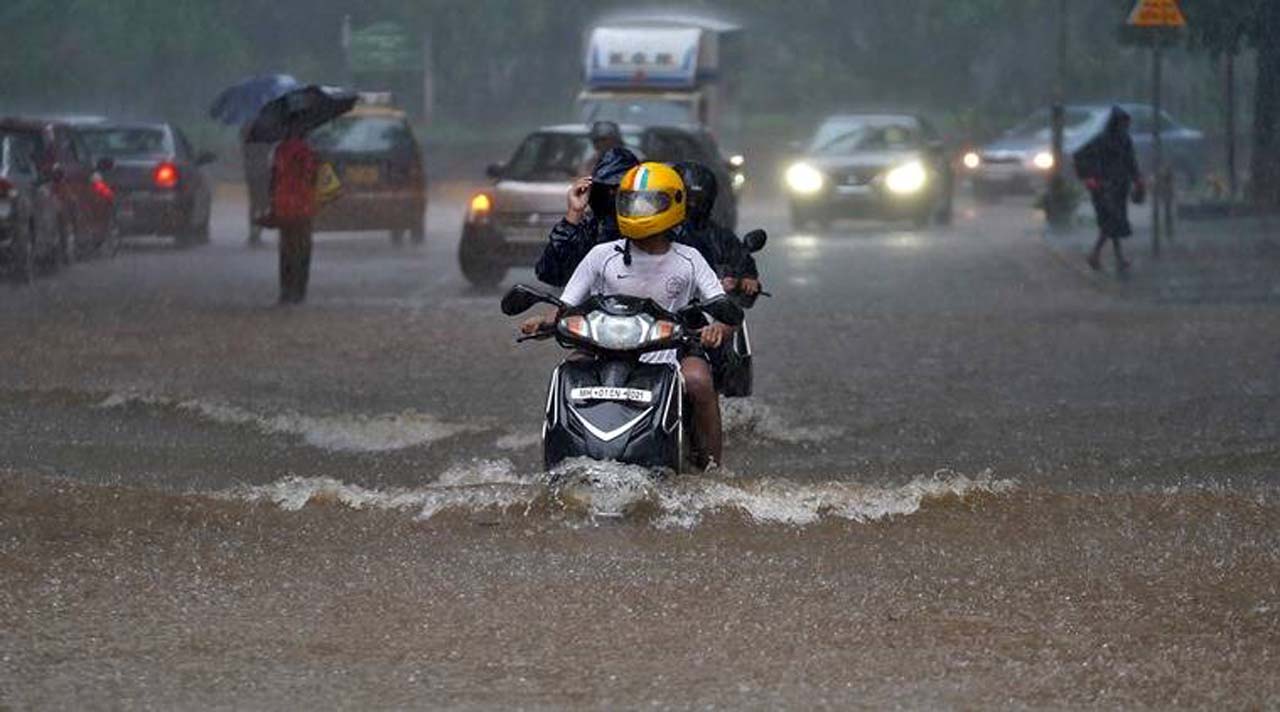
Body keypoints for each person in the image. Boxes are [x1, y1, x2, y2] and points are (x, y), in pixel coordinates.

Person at [521, 162, 732, 467]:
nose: (638, 210)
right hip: (602, 350)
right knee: (567, 372)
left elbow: (722, 310)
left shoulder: (689, 259)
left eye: (648, 202)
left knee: (699, 380)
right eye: (631, 202)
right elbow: (566, 306)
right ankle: (559, 459)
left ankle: (711, 466)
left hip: (668, 350)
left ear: (673, 203)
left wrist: (718, 329)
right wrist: (545, 322)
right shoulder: (601, 255)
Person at [535, 146, 639, 287]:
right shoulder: (592, 230)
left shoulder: (659, 229)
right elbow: (551, 274)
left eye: (619, 188)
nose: (613, 195)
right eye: (607, 189)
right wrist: (574, 213)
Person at [672, 161, 761, 296]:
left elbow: (740, 262)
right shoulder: (656, 233)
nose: (692, 204)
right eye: (687, 199)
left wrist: (744, 279)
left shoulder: (720, 237)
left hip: (704, 308)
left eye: (699, 200)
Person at [1074, 106, 1145, 271]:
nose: (1125, 127)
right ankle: (1097, 254)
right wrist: (1090, 177)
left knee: (1114, 223)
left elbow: (1130, 161)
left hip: (1119, 186)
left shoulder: (1124, 139)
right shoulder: (1099, 140)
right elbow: (1083, 158)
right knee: (1112, 222)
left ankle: (1114, 258)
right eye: (1123, 123)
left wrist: (1137, 179)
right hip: (1103, 186)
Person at [266, 126, 319, 304]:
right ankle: (300, 291)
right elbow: (313, 177)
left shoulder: (279, 150)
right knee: (303, 248)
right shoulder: (308, 151)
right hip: (303, 206)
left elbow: (273, 180)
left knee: (287, 248)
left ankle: (286, 291)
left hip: (283, 206)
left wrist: (272, 204)